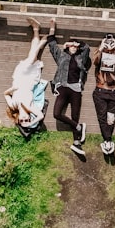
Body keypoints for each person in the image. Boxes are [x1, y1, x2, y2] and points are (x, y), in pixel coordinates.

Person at [45, 19, 91, 155]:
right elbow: (51, 42)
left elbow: (87, 47)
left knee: (74, 114)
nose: (73, 47)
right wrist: (52, 27)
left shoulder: (81, 57)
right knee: (57, 114)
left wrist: (76, 43)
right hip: (63, 86)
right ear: (66, 47)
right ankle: (78, 127)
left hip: (76, 88)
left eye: (75, 46)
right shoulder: (61, 56)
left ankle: (77, 143)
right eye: (71, 45)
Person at [4, 17, 49, 137]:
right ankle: (36, 32)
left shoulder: (13, 106)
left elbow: (5, 94)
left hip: (19, 79)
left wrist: (12, 89)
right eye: (27, 120)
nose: (25, 119)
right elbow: (40, 116)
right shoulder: (30, 108)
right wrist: (32, 123)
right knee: (31, 57)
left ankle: (38, 35)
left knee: (31, 55)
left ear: (18, 119)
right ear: (29, 118)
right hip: (30, 79)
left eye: (22, 121)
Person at [91, 32, 115, 155]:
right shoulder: (99, 54)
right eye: (107, 42)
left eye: (111, 41)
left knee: (110, 118)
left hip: (114, 92)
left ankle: (107, 141)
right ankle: (108, 141)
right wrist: (101, 47)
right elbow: (94, 61)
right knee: (102, 117)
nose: (109, 44)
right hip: (100, 90)